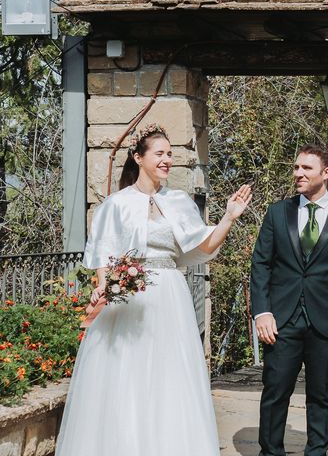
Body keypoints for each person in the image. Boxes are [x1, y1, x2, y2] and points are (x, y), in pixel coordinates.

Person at [56, 123, 252, 456]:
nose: (167, 160)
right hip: (129, 298)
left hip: (170, 296)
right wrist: (103, 284)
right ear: (139, 158)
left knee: (169, 376)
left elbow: (203, 247)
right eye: (160, 154)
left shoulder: (178, 201)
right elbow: (103, 252)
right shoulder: (115, 204)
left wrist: (229, 218)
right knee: (126, 377)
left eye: (170, 154)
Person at [250, 143, 328, 456]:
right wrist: (262, 312)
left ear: (326, 173)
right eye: (296, 167)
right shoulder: (278, 213)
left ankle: (316, 452)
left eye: (306, 168)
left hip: (327, 323)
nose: (298, 173)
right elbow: (260, 265)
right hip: (281, 320)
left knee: (322, 395)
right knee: (275, 392)